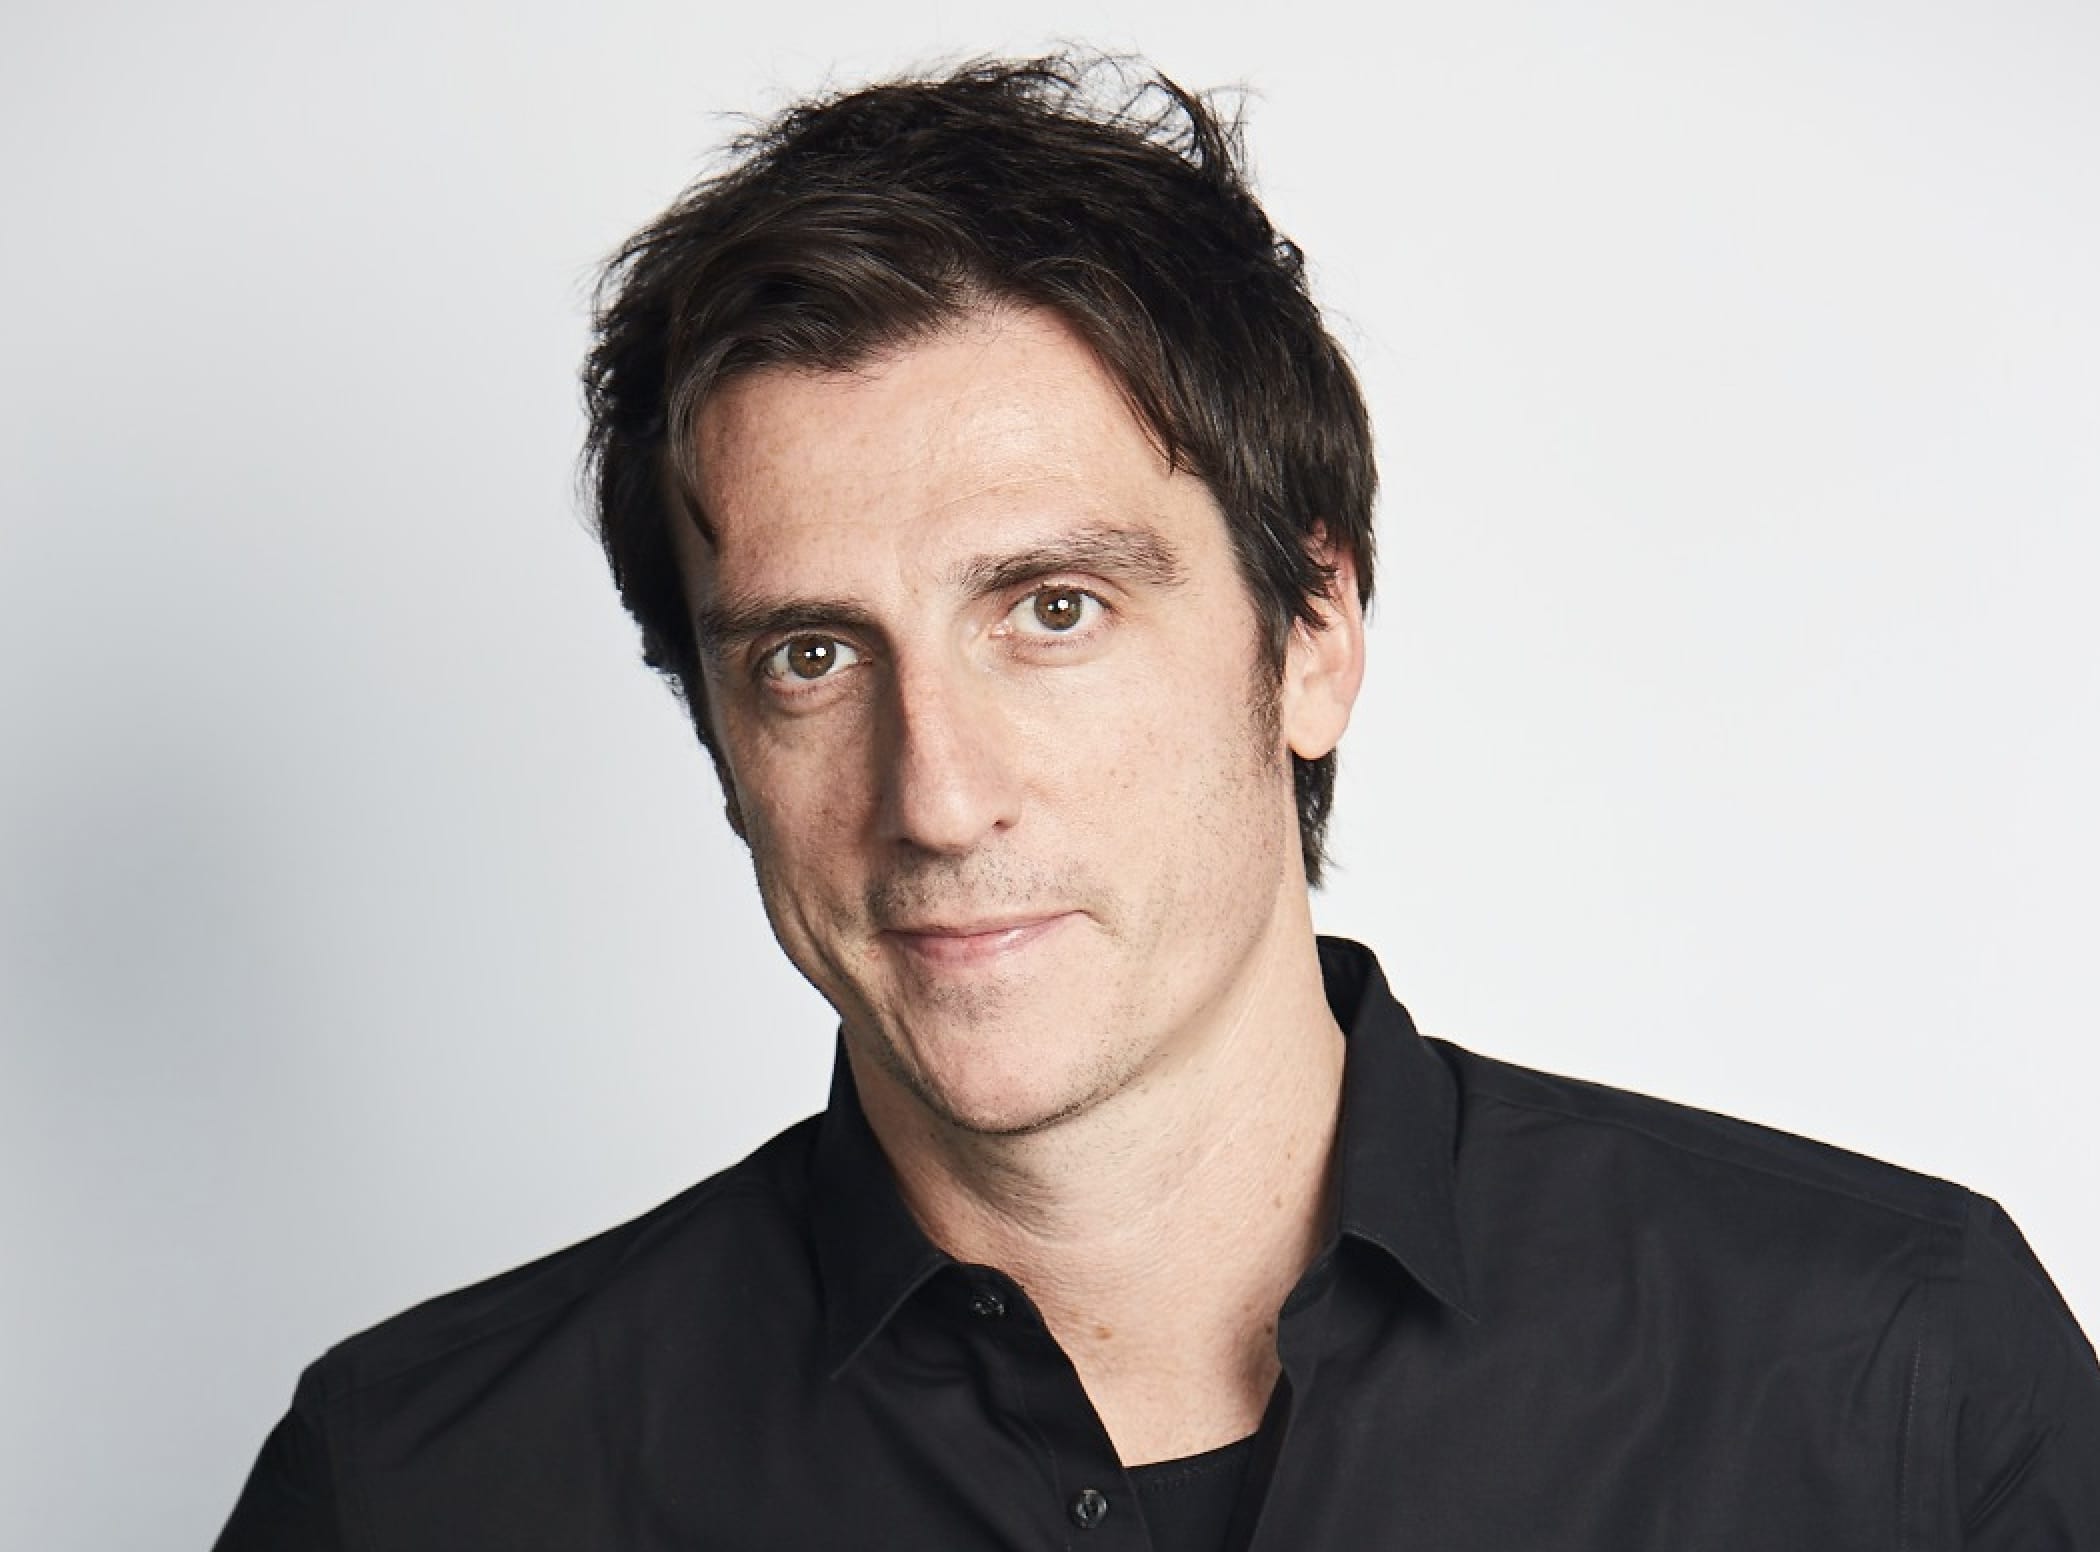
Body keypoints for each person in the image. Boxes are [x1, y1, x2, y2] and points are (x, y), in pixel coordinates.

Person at [214, 55, 2099, 1550]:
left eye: (1053, 610)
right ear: (715, 732)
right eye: (811, 655)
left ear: (1313, 636)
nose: (937, 794)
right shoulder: (425, 1490)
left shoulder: (1888, 1381)